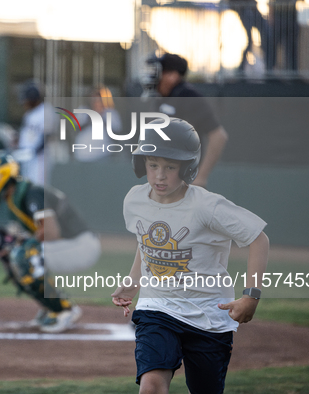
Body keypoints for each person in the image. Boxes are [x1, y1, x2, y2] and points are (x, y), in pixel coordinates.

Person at [111, 118, 269, 393]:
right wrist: (134, 281)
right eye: (153, 165)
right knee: (151, 384)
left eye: (170, 167)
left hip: (209, 316)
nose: (160, 175)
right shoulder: (134, 200)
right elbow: (144, 240)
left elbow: (258, 238)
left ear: (188, 167)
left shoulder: (207, 206)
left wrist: (250, 296)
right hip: (157, 308)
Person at [0, 150, 101, 332]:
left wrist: (22, 245)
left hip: (82, 245)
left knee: (23, 255)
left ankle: (64, 310)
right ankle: (49, 306)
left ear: (2, 176)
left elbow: (51, 231)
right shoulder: (14, 198)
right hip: (67, 245)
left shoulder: (31, 192)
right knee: (16, 253)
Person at [147, 53, 229, 188]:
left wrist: (201, 177)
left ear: (173, 75)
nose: (154, 75)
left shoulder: (189, 97)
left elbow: (219, 136)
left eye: (159, 71)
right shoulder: (162, 98)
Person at [14, 80, 51, 185]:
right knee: (27, 186)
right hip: (27, 157)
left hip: (40, 158)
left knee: (38, 186)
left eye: (27, 99)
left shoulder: (46, 111)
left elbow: (46, 137)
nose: (25, 103)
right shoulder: (29, 114)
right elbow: (27, 136)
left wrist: (32, 152)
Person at [74, 85, 122, 162]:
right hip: (82, 155)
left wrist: (102, 117)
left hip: (103, 155)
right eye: (93, 98)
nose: (96, 101)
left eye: (99, 98)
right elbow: (77, 128)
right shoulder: (83, 110)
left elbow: (116, 134)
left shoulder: (111, 113)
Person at [228, 0, 274, 73]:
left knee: (267, 37)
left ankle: (269, 69)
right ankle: (241, 69)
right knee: (250, 42)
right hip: (245, 11)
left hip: (253, 10)